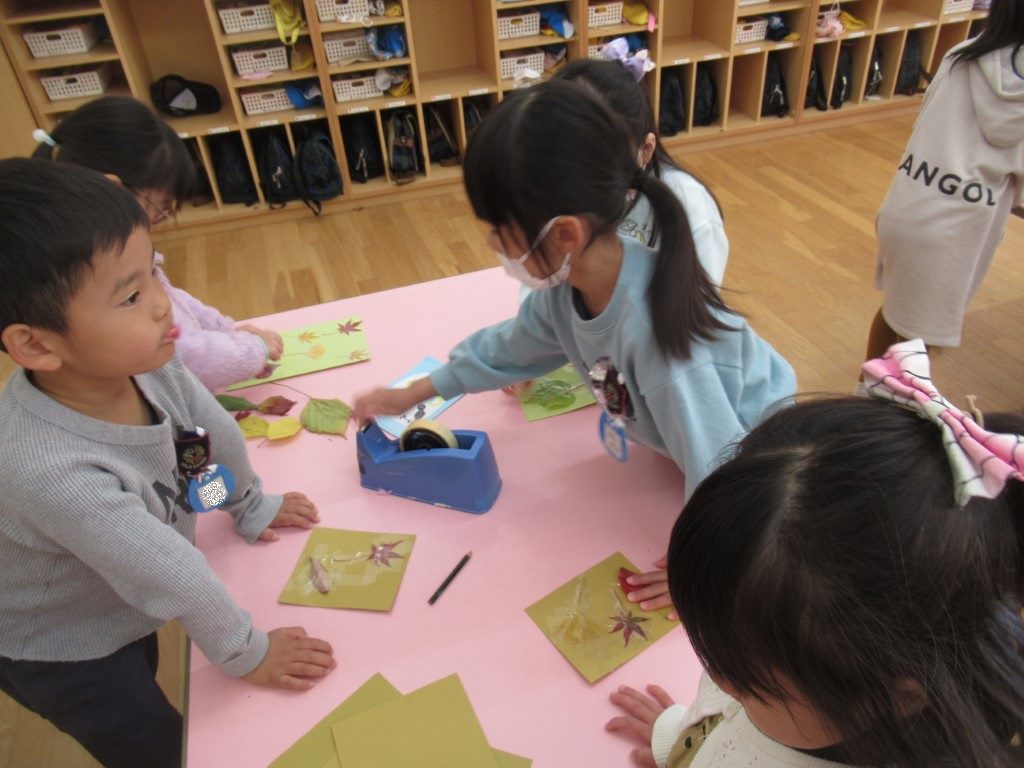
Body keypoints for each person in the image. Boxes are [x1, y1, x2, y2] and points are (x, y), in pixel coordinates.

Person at [352, 80, 796, 610]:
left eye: (499, 230)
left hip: (760, 461)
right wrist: (410, 394)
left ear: (564, 234)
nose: (491, 244)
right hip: (693, 441)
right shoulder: (573, 287)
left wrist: (697, 572)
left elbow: (721, 465)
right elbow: (509, 348)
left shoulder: (659, 346)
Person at [0, 158, 335, 768]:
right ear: (37, 344)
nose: (162, 307)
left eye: (153, 273)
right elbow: (171, 575)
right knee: (153, 744)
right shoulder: (50, 472)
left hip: (121, 593)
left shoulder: (145, 360)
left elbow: (202, 440)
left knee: (145, 650)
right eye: (131, 296)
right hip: (61, 646)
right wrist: (247, 653)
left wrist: (246, 505)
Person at [607, 340, 1024, 768]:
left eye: (748, 686)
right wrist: (681, 738)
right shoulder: (789, 665)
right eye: (714, 652)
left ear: (896, 697)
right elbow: (731, 715)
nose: (715, 677)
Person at [31, 94, 284, 390]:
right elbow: (182, 354)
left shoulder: (116, 253)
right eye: (160, 205)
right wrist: (253, 350)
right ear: (113, 189)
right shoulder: (92, 276)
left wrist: (228, 331)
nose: (167, 213)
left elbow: (175, 302)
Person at [866, 0, 1024, 359]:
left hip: (906, 209)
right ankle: (877, 396)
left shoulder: (961, 55)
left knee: (895, 316)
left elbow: (926, 127)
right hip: (955, 234)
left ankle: (865, 389)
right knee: (916, 351)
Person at [554, 56, 728, 285]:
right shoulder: (551, 187)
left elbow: (699, 298)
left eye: (598, 157)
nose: (579, 172)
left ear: (645, 150)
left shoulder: (689, 204)